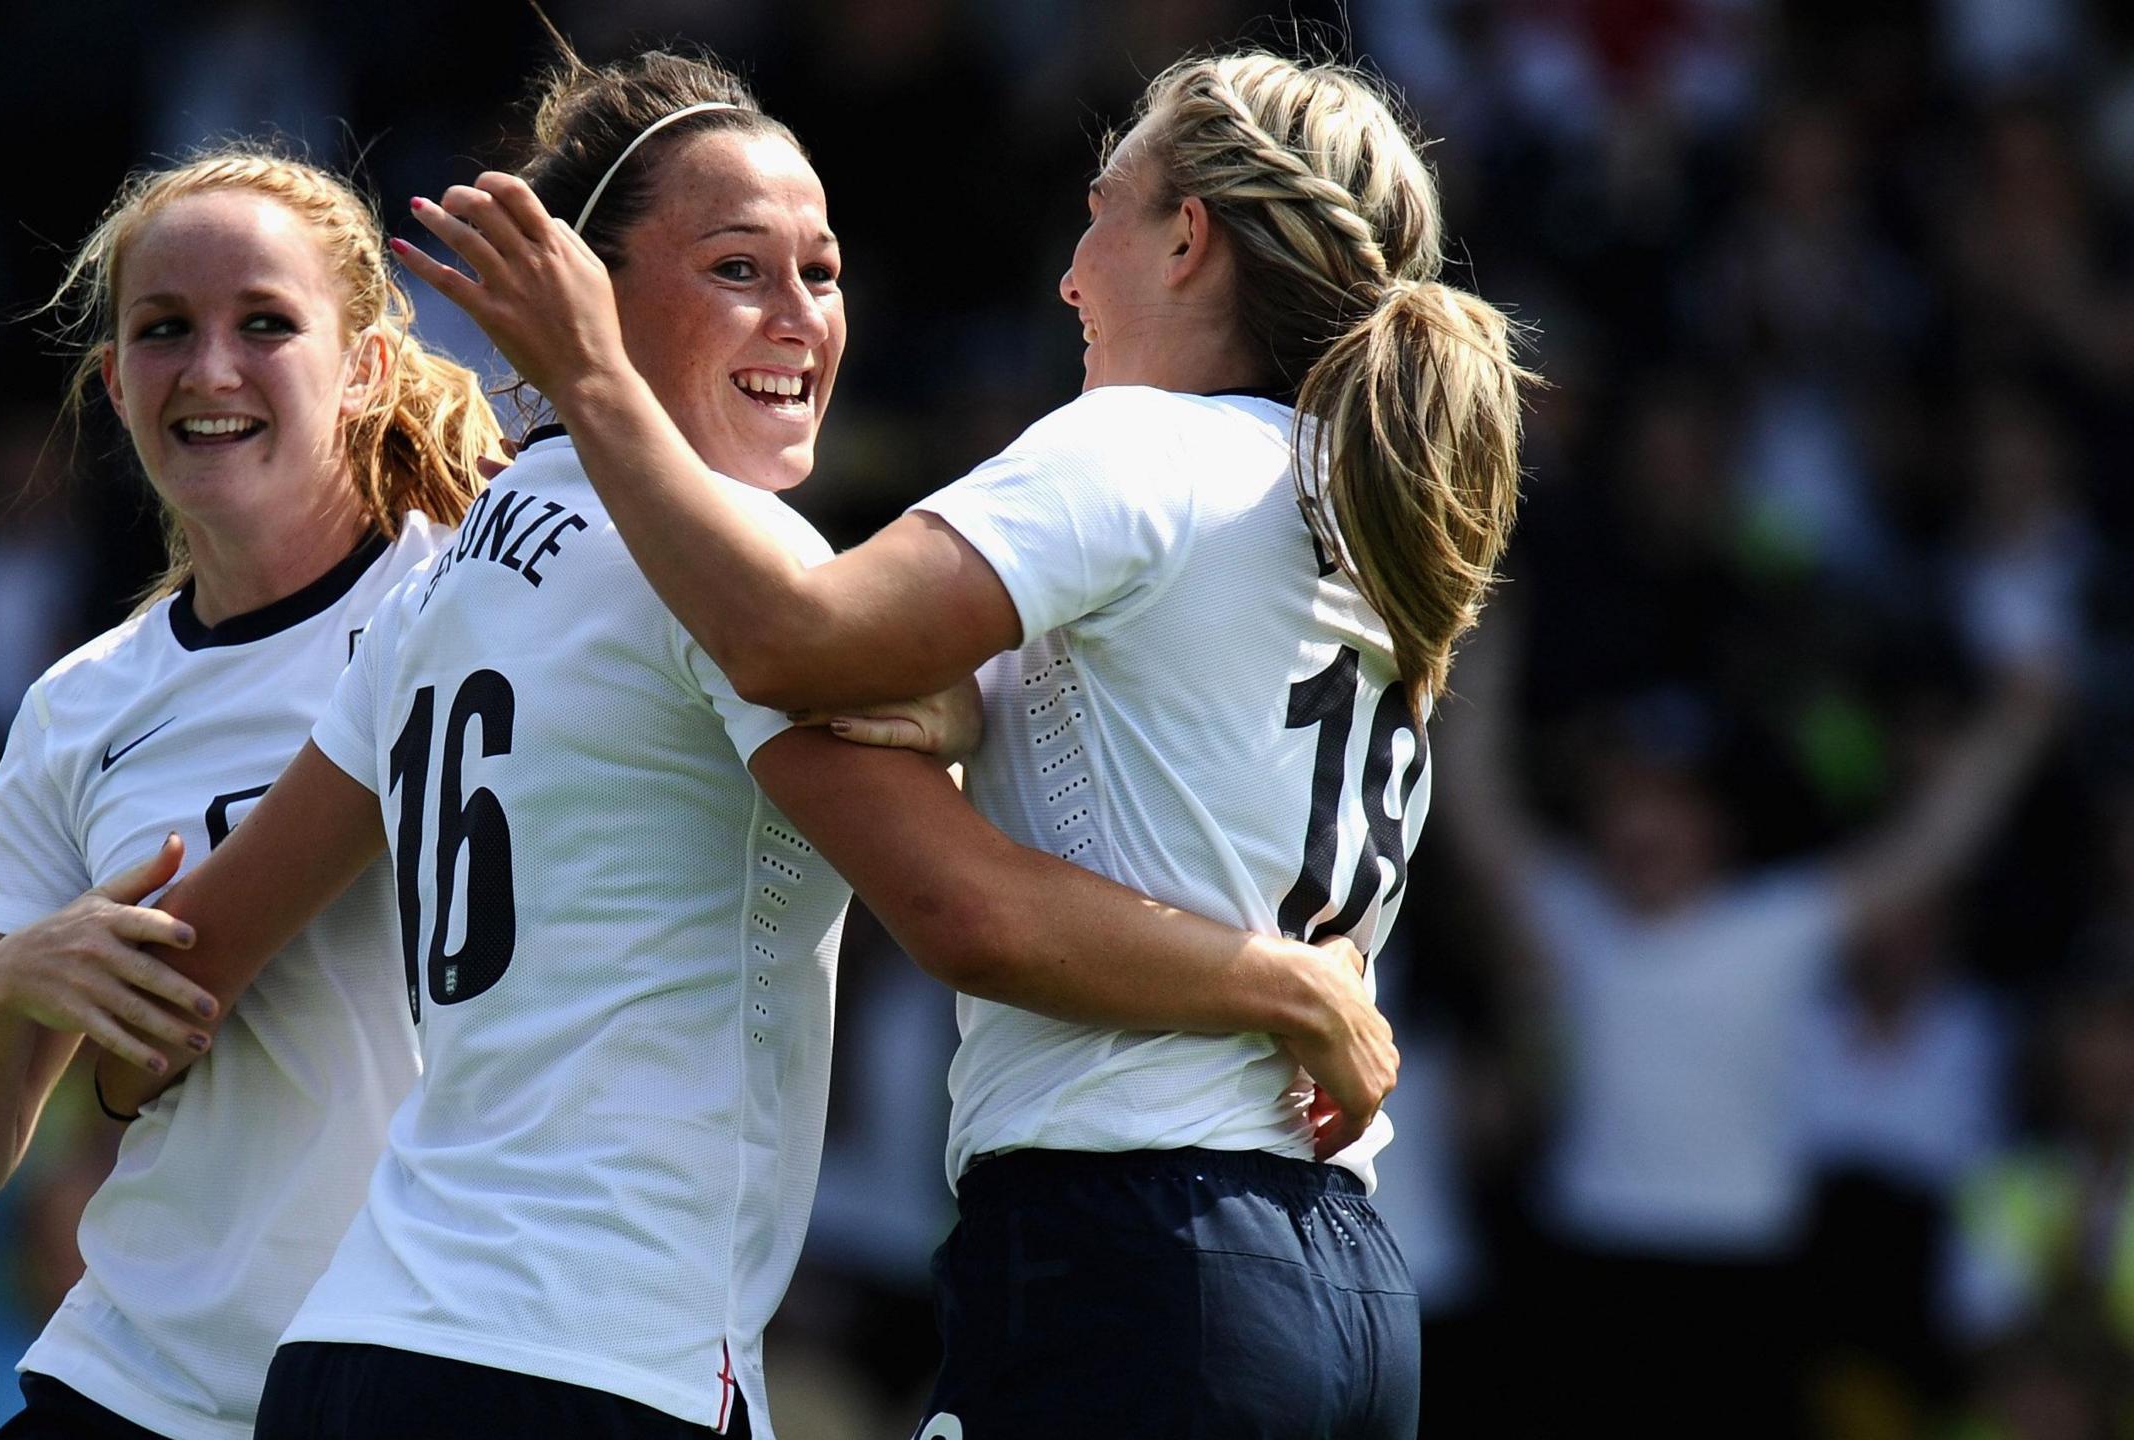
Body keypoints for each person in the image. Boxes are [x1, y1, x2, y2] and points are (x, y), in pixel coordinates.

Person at [93, 47, 1403, 1440]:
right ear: (587, 298)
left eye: (821, 274)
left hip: (355, 1351)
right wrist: (1291, 986)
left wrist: (25, 991)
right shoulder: (739, 572)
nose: (798, 321)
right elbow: (961, 905)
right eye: (737, 269)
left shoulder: (434, 578)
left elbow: (169, 1005)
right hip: (595, 1365)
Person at [403, 47, 1527, 1438]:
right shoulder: (1363, 507)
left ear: (1186, 238)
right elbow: (1139, 745)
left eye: (1100, 211)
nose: (1069, 274)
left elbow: (792, 639)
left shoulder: (1133, 451)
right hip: (1346, 1275)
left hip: (1130, 1246)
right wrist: (965, 708)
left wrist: (589, 371)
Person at [0, 145, 503, 1440]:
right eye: (165, 331)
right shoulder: (79, 709)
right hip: (141, 1388)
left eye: (266, 324)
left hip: (440, 1383)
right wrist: (16, 987)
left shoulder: (494, 602)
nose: (210, 371)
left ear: (368, 365)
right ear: (114, 385)